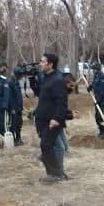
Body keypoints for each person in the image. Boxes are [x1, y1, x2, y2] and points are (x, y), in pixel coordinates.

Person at [35, 53, 70, 183]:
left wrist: (56, 118)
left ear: (50, 64)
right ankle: (58, 173)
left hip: (52, 120)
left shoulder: (58, 80)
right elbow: (40, 94)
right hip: (43, 118)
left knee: (46, 145)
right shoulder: (46, 77)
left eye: (43, 61)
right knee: (56, 146)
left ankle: (54, 175)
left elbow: (62, 102)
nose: (40, 64)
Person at [87, 62, 104, 139]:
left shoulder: (103, 77)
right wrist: (90, 86)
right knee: (97, 117)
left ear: (97, 69)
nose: (93, 70)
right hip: (97, 100)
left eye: (94, 69)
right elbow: (94, 84)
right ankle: (101, 130)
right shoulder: (96, 76)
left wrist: (98, 100)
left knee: (102, 116)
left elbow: (103, 90)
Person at [8, 66, 25, 146]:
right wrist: (12, 108)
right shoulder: (10, 82)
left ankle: (18, 138)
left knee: (19, 123)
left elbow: (19, 96)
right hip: (13, 108)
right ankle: (13, 139)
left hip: (19, 107)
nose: (21, 77)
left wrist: (21, 106)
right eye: (20, 75)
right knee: (13, 124)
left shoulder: (16, 82)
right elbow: (10, 97)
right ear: (17, 74)